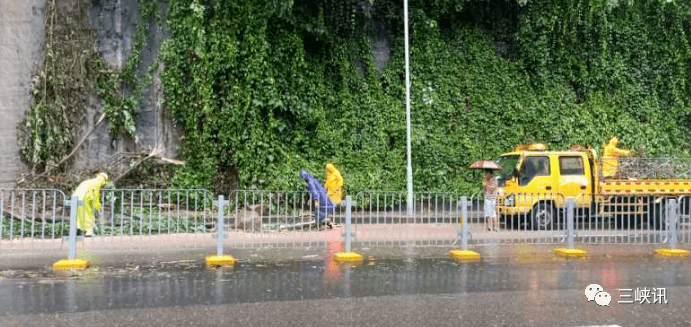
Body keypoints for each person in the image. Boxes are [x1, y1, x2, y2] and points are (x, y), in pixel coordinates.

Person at [72, 172, 109, 237]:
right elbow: (95, 196)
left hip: (76, 198)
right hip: (85, 198)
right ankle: (89, 231)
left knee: (79, 215)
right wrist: (98, 207)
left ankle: (79, 229)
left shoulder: (87, 181)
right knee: (88, 214)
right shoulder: (97, 183)